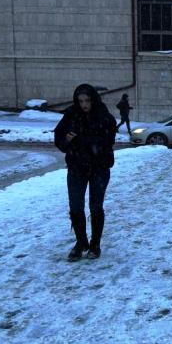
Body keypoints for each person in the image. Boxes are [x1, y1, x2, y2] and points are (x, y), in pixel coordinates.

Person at [54, 84, 117, 261]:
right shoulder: (71, 115)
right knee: (75, 207)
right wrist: (67, 140)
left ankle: (95, 243)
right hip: (76, 167)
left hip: (99, 168)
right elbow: (60, 140)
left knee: (96, 206)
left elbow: (107, 140)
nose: (84, 105)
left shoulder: (104, 117)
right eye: (80, 101)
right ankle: (81, 242)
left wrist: (83, 139)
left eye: (87, 100)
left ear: (93, 99)